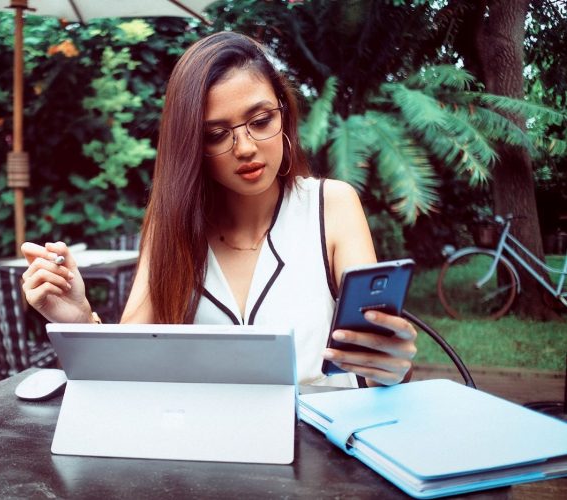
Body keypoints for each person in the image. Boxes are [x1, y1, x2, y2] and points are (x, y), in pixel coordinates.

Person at [21, 31, 416, 388]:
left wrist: (391, 365)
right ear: (191, 145)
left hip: (325, 453)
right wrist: (77, 318)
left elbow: (375, 359)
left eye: (261, 121)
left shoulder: (331, 204)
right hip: (210, 456)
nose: (245, 147)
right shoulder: (171, 223)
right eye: (215, 134)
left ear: (285, 113)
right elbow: (127, 372)